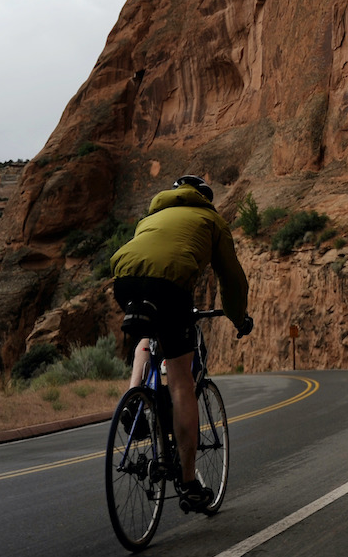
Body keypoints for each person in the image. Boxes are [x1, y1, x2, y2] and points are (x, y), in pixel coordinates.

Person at [110, 175, 252, 512]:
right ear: (204, 198)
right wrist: (238, 317)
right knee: (180, 382)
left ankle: (134, 398)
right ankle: (189, 482)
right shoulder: (211, 220)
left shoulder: (152, 217)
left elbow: (147, 257)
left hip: (125, 281)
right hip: (170, 289)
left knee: (148, 333)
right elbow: (231, 279)